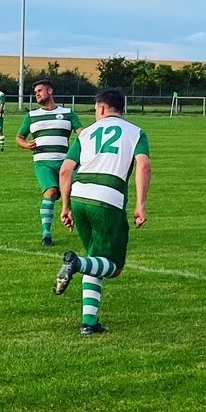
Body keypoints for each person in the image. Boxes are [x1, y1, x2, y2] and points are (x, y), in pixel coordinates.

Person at [52, 89, 150, 335]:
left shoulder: (86, 133)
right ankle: (75, 263)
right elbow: (144, 166)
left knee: (95, 259)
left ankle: (89, 322)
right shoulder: (136, 132)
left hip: (79, 195)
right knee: (114, 267)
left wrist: (65, 206)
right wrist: (141, 205)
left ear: (103, 108)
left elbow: (65, 170)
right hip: (107, 199)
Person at [16, 79, 84, 246]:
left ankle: (77, 221)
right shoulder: (31, 116)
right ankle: (46, 234)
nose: (37, 94)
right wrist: (25, 145)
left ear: (50, 91)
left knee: (76, 195)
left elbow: (82, 133)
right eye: (35, 92)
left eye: (40, 91)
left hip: (65, 163)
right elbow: (19, 137)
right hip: (43, 163)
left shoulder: (68, 113)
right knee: (51, 192)